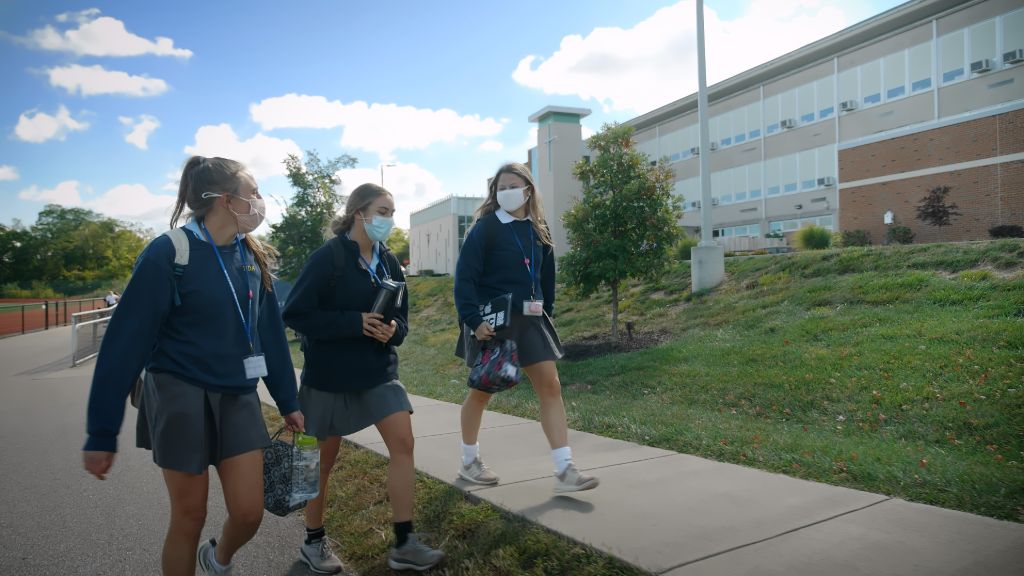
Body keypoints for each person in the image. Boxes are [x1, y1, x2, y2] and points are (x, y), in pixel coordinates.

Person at [82, 156, 305, 576]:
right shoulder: (169, 253)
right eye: (253, 192)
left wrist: (287, 399)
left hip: (238, 395)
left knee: (249, 512)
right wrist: (100, 431)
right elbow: (124, 345)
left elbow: (270, 334)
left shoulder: (252, 258)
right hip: (178, 394)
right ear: (226, 199)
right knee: (189, 517)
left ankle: (217, 559)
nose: (260, 201)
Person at [283, 183, 444, 574]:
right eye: (383, 211)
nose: (389, 219)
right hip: (328, 378)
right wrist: (353, 323)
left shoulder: (389, 262)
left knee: (403, 443)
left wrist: (394, 332)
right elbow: (295, 313)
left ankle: (404, 542)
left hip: (378, 373)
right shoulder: (328, 258)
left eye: (392, 212)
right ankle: (314, 541)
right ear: (359, 214)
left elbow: (402, 320)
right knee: (321, 463)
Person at [454, 162, 599, 494]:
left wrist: (546, 313)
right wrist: (473, 322)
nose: (506, 193)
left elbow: (547, 277)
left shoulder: (538, 228)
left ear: (528, 190)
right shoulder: (485, 228)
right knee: (481, 392)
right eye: (500, 188)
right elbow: (464, 279)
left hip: (530, 320)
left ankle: (564, 469)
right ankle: (468, 462)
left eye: (512, 186)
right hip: (493, 323)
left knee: (551, 388)